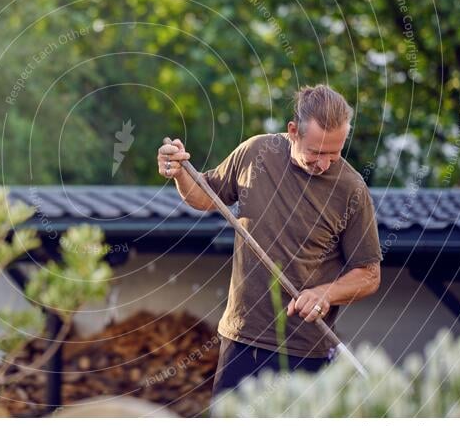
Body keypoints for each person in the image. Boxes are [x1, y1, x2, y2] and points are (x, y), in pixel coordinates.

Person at [157, 84, 383, 401]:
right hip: (241, 338)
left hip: (307, 350)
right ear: (293, 131)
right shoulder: (255, 153)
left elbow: (369, 274)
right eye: (316, 152)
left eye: (335, 152)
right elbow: (204, 196)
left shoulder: (351, 190)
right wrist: (180, 173)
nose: (325, 163)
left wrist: (324, 293)